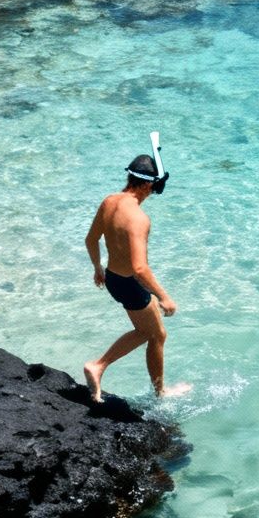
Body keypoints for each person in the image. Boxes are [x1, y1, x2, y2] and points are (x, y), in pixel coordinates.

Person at [83, 154, 180, 400]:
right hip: (129, 283)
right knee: (156, 335)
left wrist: (98, 268)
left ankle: (102, 367)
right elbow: (139, 268)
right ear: (148, 185)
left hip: (113, 279)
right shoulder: (138, 219)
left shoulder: (109, 201)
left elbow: (91, 239)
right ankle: (102, 367)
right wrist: (164, 297)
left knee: (150, 332)